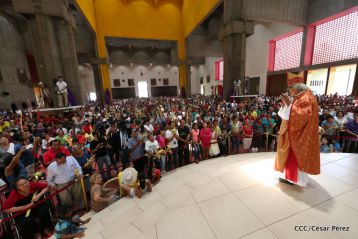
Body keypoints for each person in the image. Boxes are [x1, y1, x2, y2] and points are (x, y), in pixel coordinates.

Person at [274, 83, 320, 187]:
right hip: (296, 132)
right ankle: (290, 177)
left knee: (295, 156)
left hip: (299, 134)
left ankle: (295, 179)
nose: (291, 95)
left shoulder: (306, 98)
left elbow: (301, 116)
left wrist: (288, 104)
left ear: (296, 89)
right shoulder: (302, 97)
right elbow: (288, 113)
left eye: (291, 92)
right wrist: (287, 104)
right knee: (290, 155)